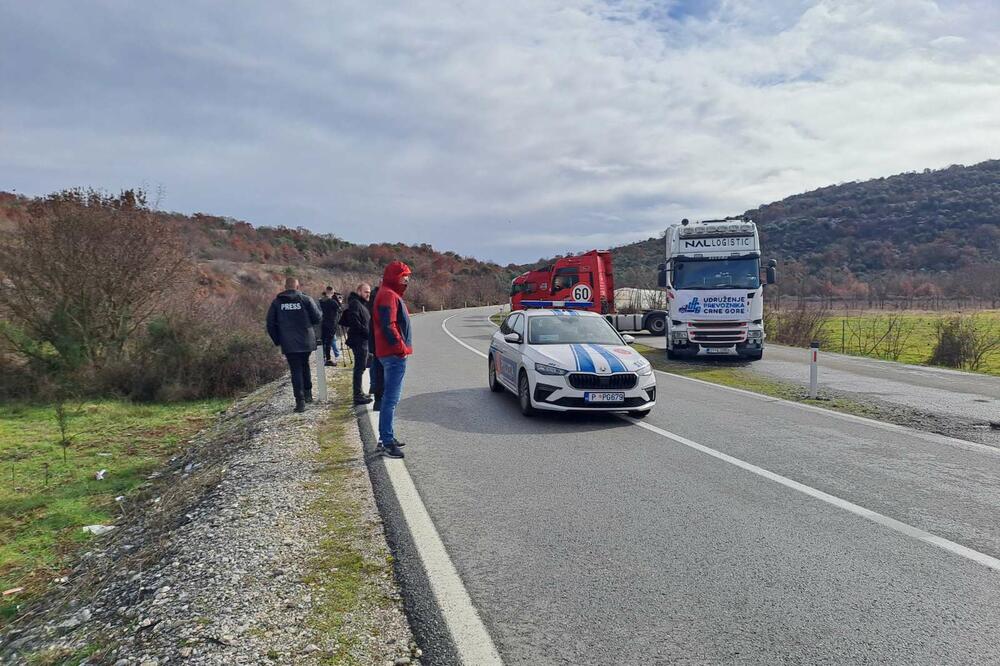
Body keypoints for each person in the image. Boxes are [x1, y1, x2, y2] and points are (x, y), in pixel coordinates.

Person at [373, 261, 412, 459]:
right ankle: (387, 442)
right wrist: (401, 348)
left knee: (389, 398)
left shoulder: (388, 293)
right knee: (391, 399)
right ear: (395, 276)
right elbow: (389, 325)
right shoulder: (388, 295)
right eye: (404, 275)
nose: (407, 279)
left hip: (389, 353)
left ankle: (387, 437)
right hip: (393, 354)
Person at [266, 277, 322, 413]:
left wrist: (278, 340)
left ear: (285, 287)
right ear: (297, 287)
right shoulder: (306, 299)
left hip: (288, 343)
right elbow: (317, 318)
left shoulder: (277, 303)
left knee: (295, 369)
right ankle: (308, 394)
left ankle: (300, 401)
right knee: (305, 365)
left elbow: (270, 324)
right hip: (306, 340)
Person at [340, 282, 373, 405]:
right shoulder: (355, 303)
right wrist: (366, 332)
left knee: (363, 366)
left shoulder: (361, 303)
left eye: (369, 292)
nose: (368, 294)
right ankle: (357, 395)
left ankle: (360, 392)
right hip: (359, 340)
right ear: (359, 291)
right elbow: (355, 322)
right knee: (359, 368)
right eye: (366, 291)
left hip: (362, 340)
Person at [367, 286, 384, 411]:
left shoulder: (369, 303)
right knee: (384, 372)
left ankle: (377, 398)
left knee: (377, 369)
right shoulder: (383, 302)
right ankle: (381, 400)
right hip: (382, 342)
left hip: (373, 341)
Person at [318, 286, 343, 367]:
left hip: (324, 322)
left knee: (323, 340)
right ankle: (328, 359)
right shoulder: (332, 302)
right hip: (332, 323)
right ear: (332, 292)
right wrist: (338, 301)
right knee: (329, 341)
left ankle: (323, 357)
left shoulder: (321, 301)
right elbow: (340, 310)